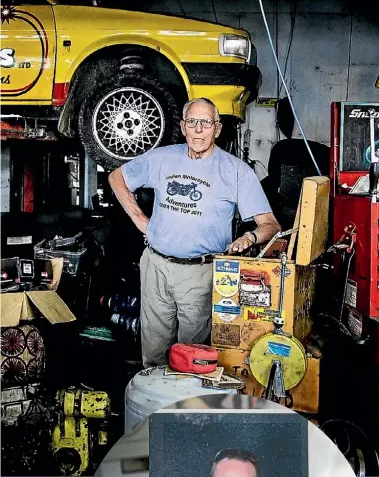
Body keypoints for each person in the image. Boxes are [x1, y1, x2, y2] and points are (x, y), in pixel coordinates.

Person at [109, 98, 281, 367]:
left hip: (200, 274)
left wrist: (248, 238)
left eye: (206, 123)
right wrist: (140, 219)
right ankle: (155, 405)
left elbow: (270, 224)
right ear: (183, 127)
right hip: (156, 266)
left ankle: (183, 408)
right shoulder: (162, 158)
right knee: (153, 354)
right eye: (193, 122)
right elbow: (116, 177)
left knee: (191, 356)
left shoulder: (236, 171)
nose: (199, 129)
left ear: (218, 129)